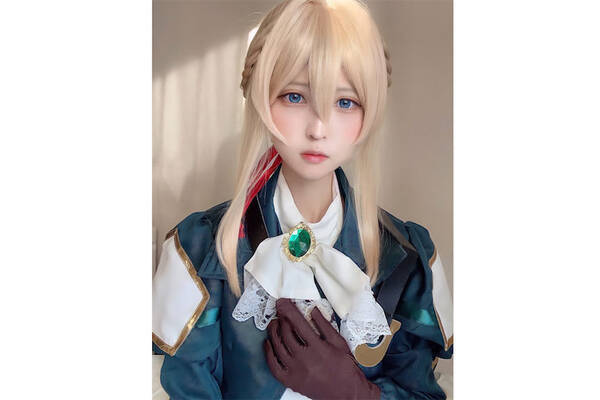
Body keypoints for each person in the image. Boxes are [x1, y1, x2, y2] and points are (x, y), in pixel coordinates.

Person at [152, 0, 453, 399]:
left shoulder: (408, 260)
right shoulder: (199, 252)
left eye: (345, 102)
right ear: (261, 98)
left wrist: (357, 394)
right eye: (295, 97)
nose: (318, 128)